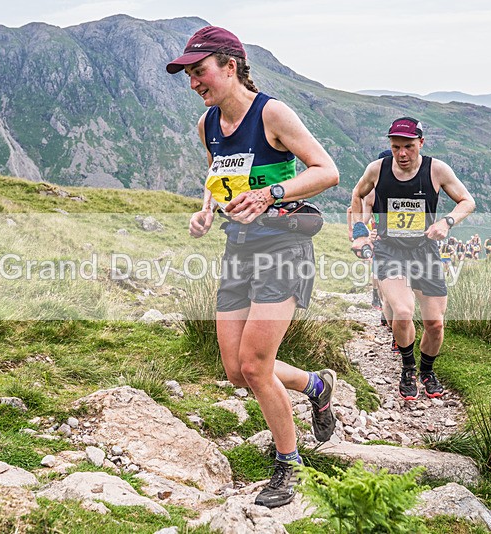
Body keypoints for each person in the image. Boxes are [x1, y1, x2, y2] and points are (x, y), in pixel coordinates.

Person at [167, 26, 340, 508]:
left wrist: (270, 194)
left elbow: (327, 170)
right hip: (237, 249)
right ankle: (316, 385)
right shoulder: (207, 124)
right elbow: (216, 173)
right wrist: (206, 209)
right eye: (188, 75)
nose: (194, 82)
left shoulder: (273, 113)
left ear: (230, 65)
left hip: (284, 248)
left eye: (199, 71)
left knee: (256, 365)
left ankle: (291, 466)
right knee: (236, 370)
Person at [350, 117, 475, 400]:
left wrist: (446, 222)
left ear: (421, 142)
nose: (402, 154)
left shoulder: (436, 170)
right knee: (404, 313)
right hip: (389, 249)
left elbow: (467, 201)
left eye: (408, 146)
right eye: (396, 147)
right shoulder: (377, 169)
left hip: (425, 250)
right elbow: (358, 194)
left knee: (435, 323)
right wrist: (359, 232)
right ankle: (408, 369)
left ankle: (427, 371)